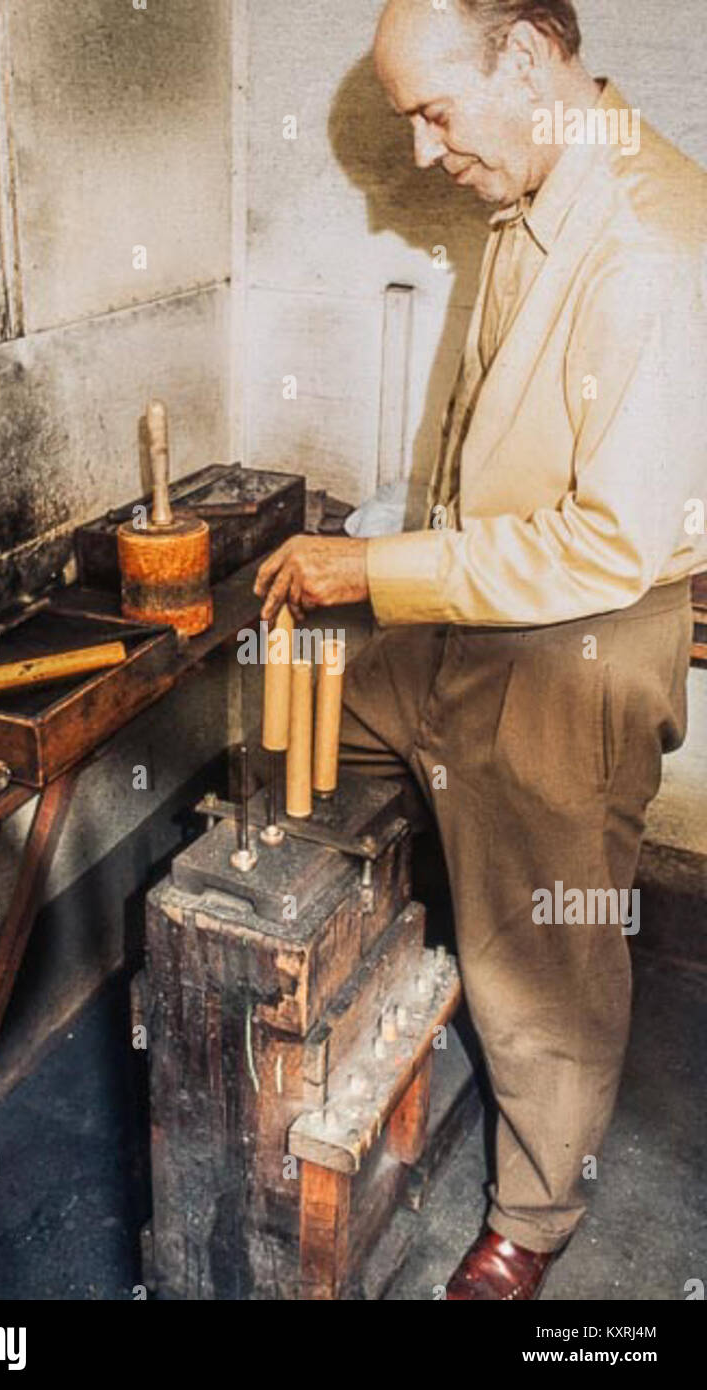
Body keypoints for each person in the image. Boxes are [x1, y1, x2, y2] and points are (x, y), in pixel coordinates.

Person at [255, 0, 707, 1300]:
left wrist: (374, 566)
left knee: (543, 962)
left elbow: (610, 545)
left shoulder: (645, 239)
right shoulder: (535, 189)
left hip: (574, 663)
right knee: (299, 692)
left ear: (524, 55)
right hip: (479, 623)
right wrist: (392, 561)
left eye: (433, 110)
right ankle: (325, 967)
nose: (425, 148)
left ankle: (537, 1215)